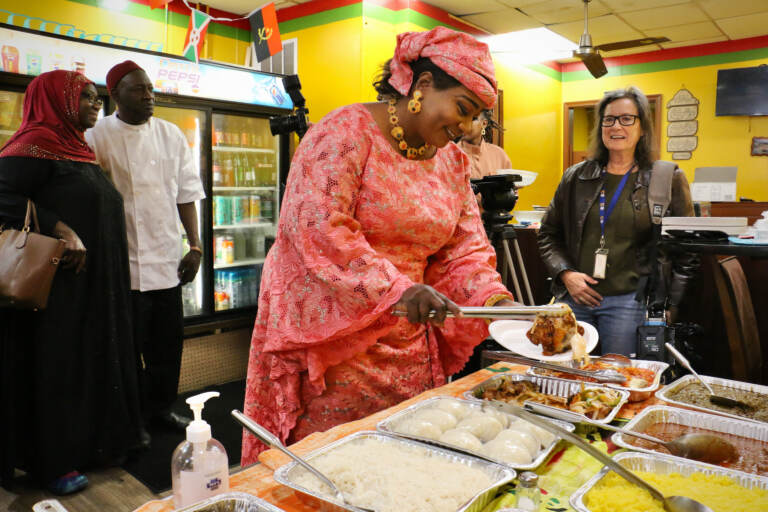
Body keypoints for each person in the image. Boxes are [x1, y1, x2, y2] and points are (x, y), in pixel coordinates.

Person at [241, 26, 517, 465]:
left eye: (475, 116)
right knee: (335, 467)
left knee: (406, 460)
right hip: (336, 346)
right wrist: (397, 290)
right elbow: (318, 228)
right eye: (462, 109)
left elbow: (463, 250)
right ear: (422, 86)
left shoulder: (452, 163)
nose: (466, 127)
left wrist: (496, 302)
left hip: (410, 344)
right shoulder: (345, 133)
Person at [0, 70, 141, 495]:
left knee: (88, 362)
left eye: (98, 97)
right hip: (55, 291)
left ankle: (94, 445)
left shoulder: (77, 148)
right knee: (57, 367)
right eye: (86, 97)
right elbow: (3, 197)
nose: (96, 104)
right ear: (56, 101)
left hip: (92, 289)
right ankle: (52, 461)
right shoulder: (31, 146)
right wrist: (60, 227)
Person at [85, 61, 205, 435]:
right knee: (125, 349)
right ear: (115, 95)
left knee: (167, 347)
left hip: (167, 259)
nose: (149, 96)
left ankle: (161, 410)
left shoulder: (170, 135)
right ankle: (130, 418)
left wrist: (196, 246)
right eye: (139, 90)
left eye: (151, 89)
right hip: (122, 264)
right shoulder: (96, 136)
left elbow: (187, 194)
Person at [537, 86, 697, 356]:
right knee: (569, 375)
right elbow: (548, 233)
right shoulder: (576, 177)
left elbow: (687, 250)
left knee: (618, 377)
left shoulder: (666, 178)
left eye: (626, 119)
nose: (616, 126)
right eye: (608, 119)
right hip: (575, 298)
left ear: (643, 127)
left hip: (629, 303)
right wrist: (566, 274)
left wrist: (672, 305)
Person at [457, 109, 512, 180]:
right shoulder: (449, 155)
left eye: (473, 119)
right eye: (462, 119)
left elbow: (511, 188)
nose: (465, 124)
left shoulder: (499, 155)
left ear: (484, 124)